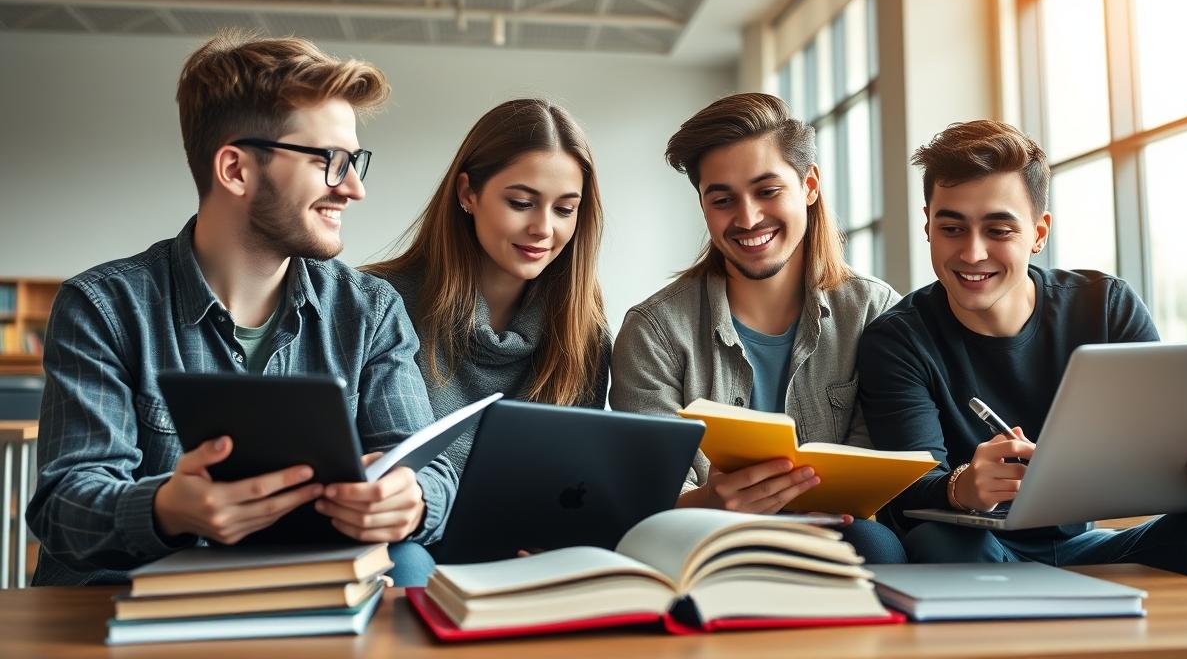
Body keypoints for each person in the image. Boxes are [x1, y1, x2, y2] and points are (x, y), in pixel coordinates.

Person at [26, 31, 454, 586]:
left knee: (412, 562)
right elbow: (65, 507)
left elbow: (427, 469)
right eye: (330, 160)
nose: (353, 187)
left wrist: (412, 499)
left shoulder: (369, 311)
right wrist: (166, 509)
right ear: (235, 169)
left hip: (308, 598)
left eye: (355, 161)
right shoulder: (104, 307)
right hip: (139, 606)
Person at [856, 119, 1187, 602]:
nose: (972, 252)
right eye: (951, 228)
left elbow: (1165, 447)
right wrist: (963, 487)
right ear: (928, 225)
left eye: (999, 228)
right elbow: (906, 499)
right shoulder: (897, 339)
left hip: (1089, 545)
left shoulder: (1105, 306)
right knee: (937, 542)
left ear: (1038, 232)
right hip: (977, 549)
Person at [609, 93, 906, 563]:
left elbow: (884, 468)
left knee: (876, 544)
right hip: (702, 541)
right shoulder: (655, 331)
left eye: (767, 191)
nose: (747, 219)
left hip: (841, 540)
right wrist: (709, 503)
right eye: (722, 199)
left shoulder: (874, 310)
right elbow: (646, 497)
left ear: (809, 186)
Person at [364, 99, 610, 499]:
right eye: (521, 203)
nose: (543, 229)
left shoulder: (584, 329)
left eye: (565, 209)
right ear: (468, 193)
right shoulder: (377, 303)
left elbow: (570, 487)